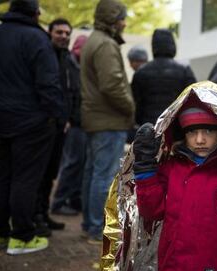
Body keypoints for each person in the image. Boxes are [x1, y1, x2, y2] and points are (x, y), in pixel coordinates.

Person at [132, 95, 217, 271]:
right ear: (184, 134)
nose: (200, 140)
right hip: (176, 266)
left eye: (208, 131)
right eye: (192, 132)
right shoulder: (172, 168)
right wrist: (145, 171)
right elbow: (151, 212)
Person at [0, 0, 63, 254]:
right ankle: (23, 236)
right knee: (26, 178)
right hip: (33, 121)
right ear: (35, 12)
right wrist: (57, 117)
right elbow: (48, 84)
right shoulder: (37, 39)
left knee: (3, 174)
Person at [80, 0, 135, 243]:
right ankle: (95, 228)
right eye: (121, 18)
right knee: (103, 177)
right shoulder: (105, 44)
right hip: (108, 120)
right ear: (113, 19)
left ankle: (89, 224)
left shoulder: (95, 40)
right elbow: (111, 84)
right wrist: (130, 107)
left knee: (93, 173)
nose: (124, 22)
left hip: (97, 118)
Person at [33, 18, 78, 236]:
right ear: (50, 32)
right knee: (40, 174)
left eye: (66, 32)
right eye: (59, 32)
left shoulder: (67, 57)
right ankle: (36, 218)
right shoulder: (46, 55)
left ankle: (43, 214)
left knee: (51, 172)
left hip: (62, 126)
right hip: (46, 124)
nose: (63, 35)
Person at [51, 35, 88, 216]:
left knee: (79, 163)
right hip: (74, 122)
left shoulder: (79, 65)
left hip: (80, 121)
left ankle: (74, 200)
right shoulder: (70, 65)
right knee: (72, 162)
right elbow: (71, 95)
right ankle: (58, 202)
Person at [132, 28, 196, 126]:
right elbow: (193, 99)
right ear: (172, 45)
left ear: (153, 46)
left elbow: (136, 102)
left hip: (149, 126)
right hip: (176, 126)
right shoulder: (184, 70)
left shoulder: (141, 72)